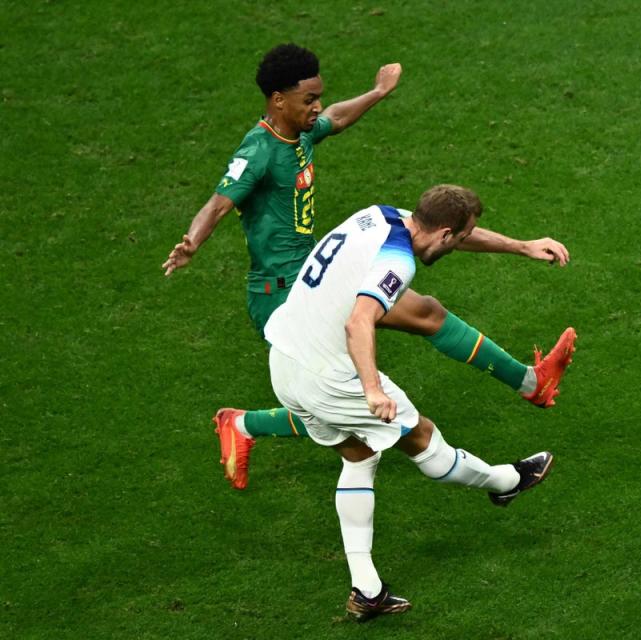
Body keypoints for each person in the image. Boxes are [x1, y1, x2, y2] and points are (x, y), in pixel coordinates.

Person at [161, 43, 576, 489]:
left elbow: (336, 119)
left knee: (428, 314)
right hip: (281, 294)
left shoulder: (298, 131)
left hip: (315, 272)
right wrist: (192, 242)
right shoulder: (259, 149)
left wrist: (378, 91)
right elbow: (220, 203)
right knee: (333, 405)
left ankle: (532, 384)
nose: (317, 106)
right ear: (278, 100)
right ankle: (244, 425)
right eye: (308, 100)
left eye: (318, 96)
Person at [265, 184, 575, 621]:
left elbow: (455, 236)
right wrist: (372, 388)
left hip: (284, 361)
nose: (462, 244)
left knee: (358, 456)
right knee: (423, 438)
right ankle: (506, 482)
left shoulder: (382, 214)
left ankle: (367, 590)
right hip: (329, 374)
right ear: (445, 233)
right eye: (461, 237)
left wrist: (521, 247)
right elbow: (359, 322)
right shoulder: (398, 262)